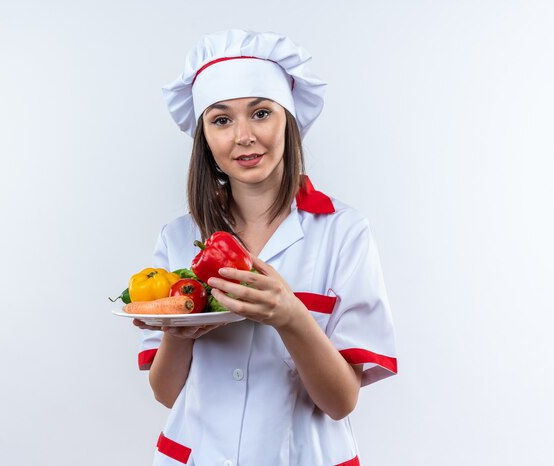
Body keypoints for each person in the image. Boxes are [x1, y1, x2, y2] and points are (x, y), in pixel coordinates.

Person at [133, 29, 398, 466]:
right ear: (204, 139)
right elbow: (166, 395)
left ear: (288, 120)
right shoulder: (178, 239)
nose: (243, 136)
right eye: (221, 120)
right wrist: (177, 335)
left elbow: (340, 402)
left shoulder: (344, 232)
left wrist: (291, 316)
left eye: (260, 113)